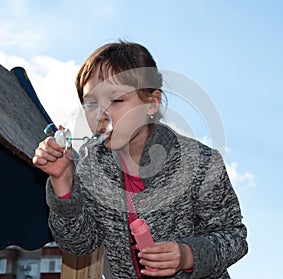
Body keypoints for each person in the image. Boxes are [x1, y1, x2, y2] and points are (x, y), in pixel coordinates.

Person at [32, 40, 248, 278]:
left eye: (116, 100)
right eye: (91, 103)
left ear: (151, 103)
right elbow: (79, 244)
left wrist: (188, 254)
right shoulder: (90, 167)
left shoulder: (200, 162)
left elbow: (234, 236)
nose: (101, 115)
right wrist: (62, 181)